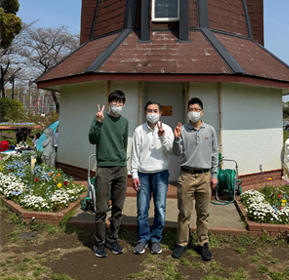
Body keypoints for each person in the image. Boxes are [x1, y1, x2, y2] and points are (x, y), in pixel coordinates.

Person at [172, 97, 219, 261]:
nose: (194, 112)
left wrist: (214, 175)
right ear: (187, 112)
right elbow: (177, 153)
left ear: (202, 112)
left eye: (197, 109)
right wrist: (176, 138)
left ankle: (202, 243)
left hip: (205, 176)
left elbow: (214, 154)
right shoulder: (182, 129)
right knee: (184, 212)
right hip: (186, 175)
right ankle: (182, 243)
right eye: (191, 109)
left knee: (203, 213)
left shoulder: (210, 130)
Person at [89, 90, 129, 258]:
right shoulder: (100, 118)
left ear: (124, 105)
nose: (117, 106)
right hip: (104, 168)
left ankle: (113, 239)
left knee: (118, 208)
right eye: (114, 102)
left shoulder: (125, 122)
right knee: (101, 208)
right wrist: (98, 123)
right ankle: (99, 242)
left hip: (121, 167)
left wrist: (123, 162)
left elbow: (124, 143)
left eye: (120, 103)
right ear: (109, 103)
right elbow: (92, 139)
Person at [131, 101, 174, 255]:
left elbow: (170, 151)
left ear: (160, 113)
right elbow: (134, 154)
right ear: (145, 113)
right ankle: (143, 239)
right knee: (142, 209)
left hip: (161, 173)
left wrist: (162, 137)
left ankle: (155, 239)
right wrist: (134, 174)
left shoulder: (167, 129)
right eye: (149, 110)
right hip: (142, 174)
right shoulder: (138, 131)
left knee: (160, 208)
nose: (152, 113)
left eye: (155, 110)